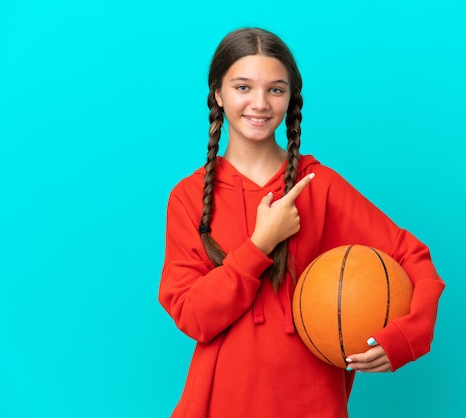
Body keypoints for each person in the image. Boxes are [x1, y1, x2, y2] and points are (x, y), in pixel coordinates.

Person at [159, 27, 445, 418]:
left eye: (275, 89)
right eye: (243, 87)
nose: (259, 103)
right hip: (220, 402)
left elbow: (412, 257)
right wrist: (259, 246)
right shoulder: (189, 198)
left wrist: (405, 337)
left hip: (312, 402)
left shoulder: (320, 186)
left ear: (291, 97)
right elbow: (193, 316)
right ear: (218, 94)